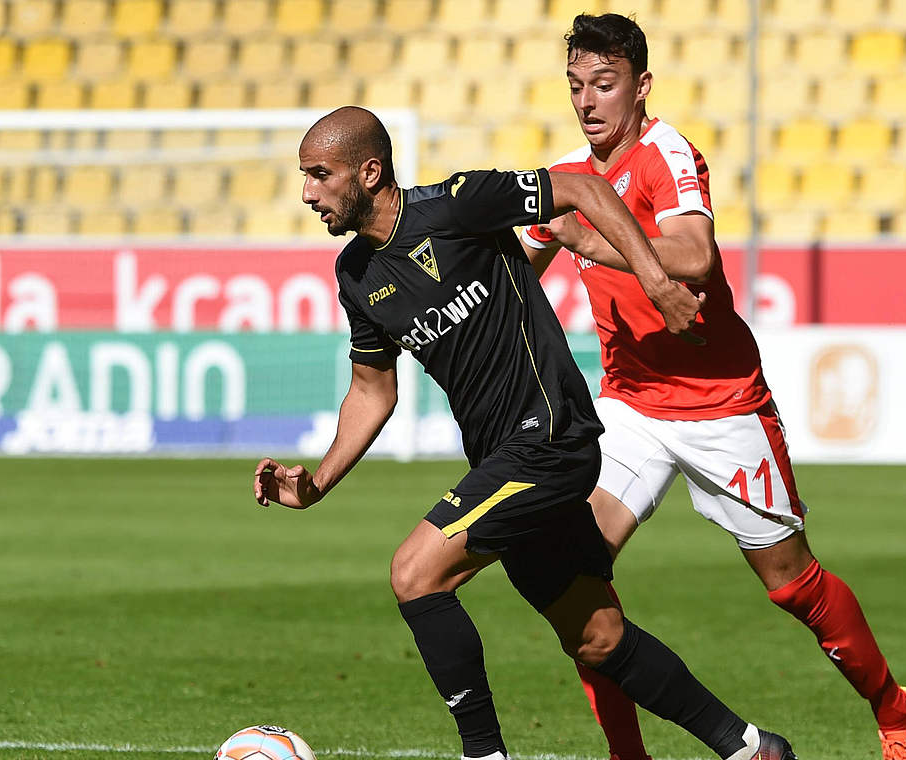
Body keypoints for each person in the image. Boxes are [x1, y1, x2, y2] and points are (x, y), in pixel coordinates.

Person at [254, 106, 795, 760]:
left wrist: (655, 279)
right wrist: (316, 484)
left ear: (369, 172)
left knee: (414, 573)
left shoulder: (457, 205)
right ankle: (749, 747)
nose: (308, 192)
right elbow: (373, 391)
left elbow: (586, 189)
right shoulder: (357, 276)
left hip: (550, 437)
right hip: (505, 459)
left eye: (320, 174)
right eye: (305, 176)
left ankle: (484, 755)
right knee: (596, 636)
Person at [518, 14, 906, 760]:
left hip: (721, 404)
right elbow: (519, 267)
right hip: (631, 408)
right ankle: (626, 752)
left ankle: (894, 707)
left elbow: (696, 252)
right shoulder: (570, 176)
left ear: (641, 87)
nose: (587, 100)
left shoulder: (663, 153)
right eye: (576, 85)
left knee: (792, 584)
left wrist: (585, 237)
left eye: (604, 85)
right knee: (572, 583)